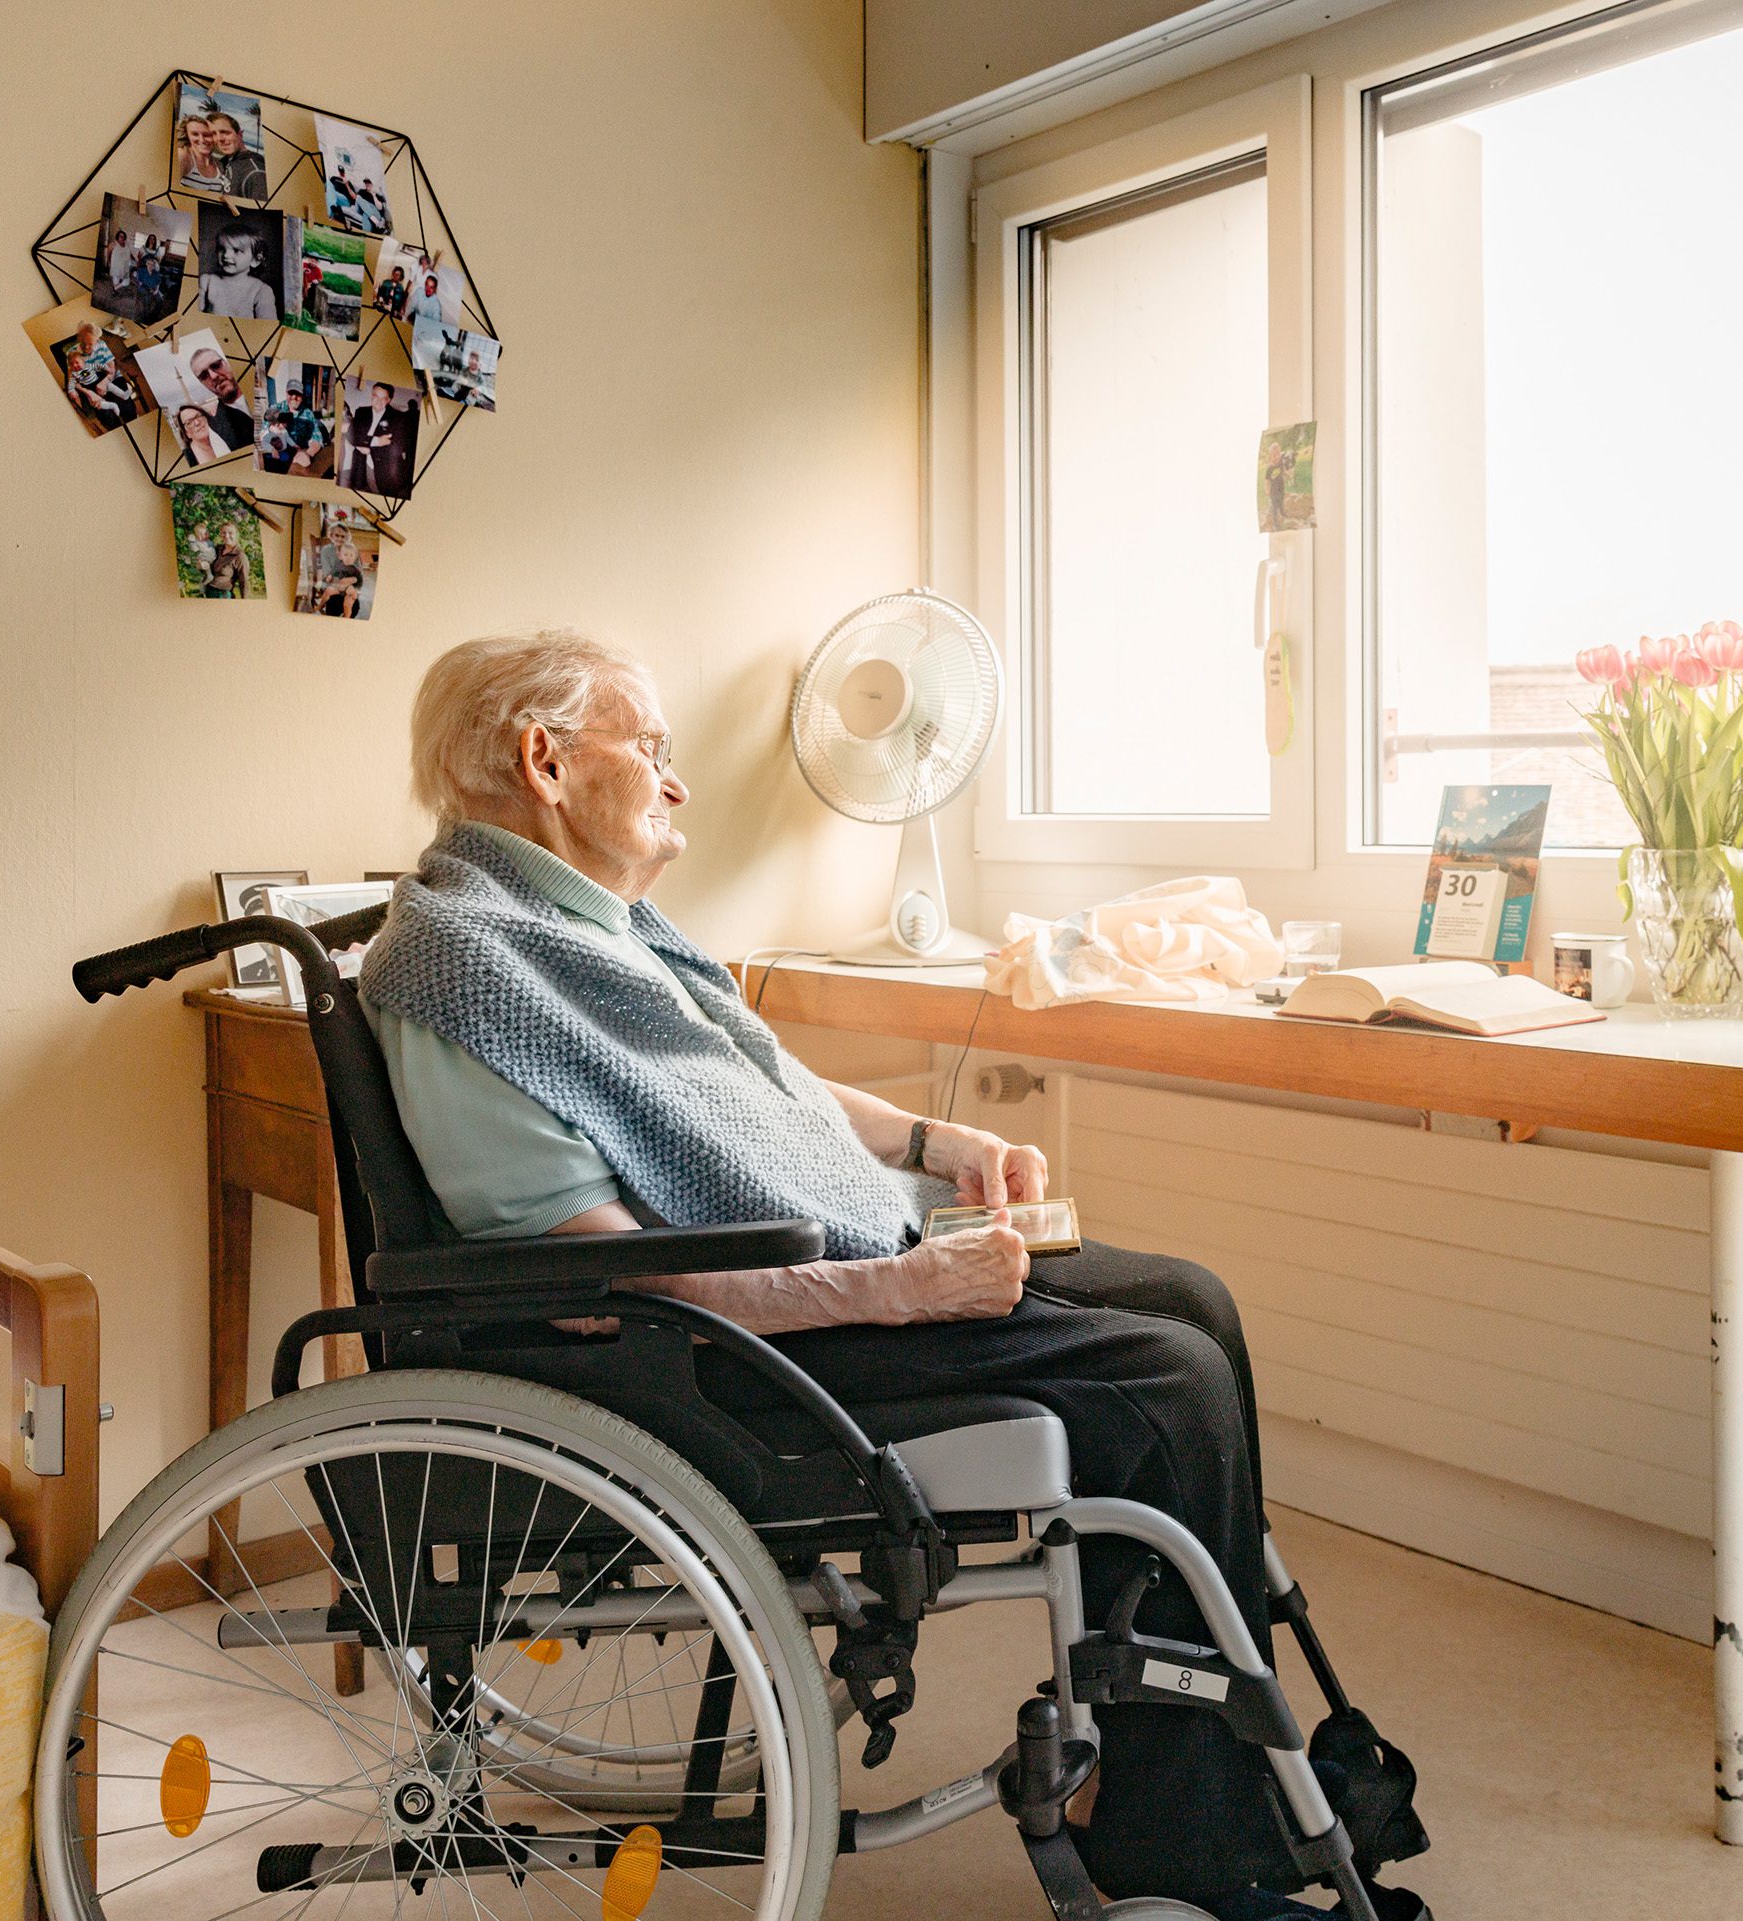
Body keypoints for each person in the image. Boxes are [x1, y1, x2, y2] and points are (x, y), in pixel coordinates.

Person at [356, 631, 1423, 1916]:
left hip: (808, 1283)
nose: (675, 780)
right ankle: (1171, 1830)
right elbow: (603, 1283)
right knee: (1166, 1382)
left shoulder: (592, 928)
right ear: (545, 759)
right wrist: (899, 1290)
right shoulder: (471, 967)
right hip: (715, 1363)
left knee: (1191, 1298)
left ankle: (1187, 1762)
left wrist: (938, 1145)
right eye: (649, 746)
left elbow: (778, 1097)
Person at [201, 225, 278, 321]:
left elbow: (267, 328)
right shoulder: (207, 281)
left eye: (236, 250)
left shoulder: (261, 291)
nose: (226, 255)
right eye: (222, 249)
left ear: (255, 260)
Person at [187, 346, 255, 448]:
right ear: (202, 383)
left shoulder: (261, 382)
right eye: (204, 375)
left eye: (216, 365)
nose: (213, 376)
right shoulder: (217, 430)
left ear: (226, 362)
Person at [206, 111, 267, 199]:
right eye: (213, 134)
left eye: (225, 132)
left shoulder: (255, 173)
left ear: (240, 134)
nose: (219, 139)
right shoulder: (225, 161)